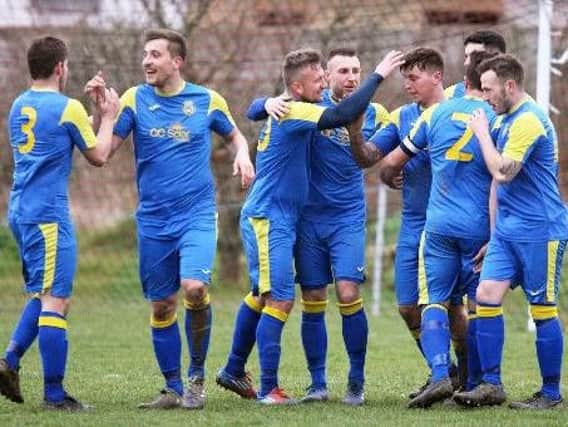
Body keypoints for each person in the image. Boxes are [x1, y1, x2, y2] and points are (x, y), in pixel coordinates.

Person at [217, 47, 403, 405]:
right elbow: (265, 108)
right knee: (294, 298)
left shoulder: (372, 111)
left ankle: (355, 382)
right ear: (326, 78)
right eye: (340, 72)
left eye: (357, 70)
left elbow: (374, 152)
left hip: (343, 218)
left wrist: (402, 164)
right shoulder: (312, 111)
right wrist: (265, 102)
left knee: (342, 293)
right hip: (297, 219)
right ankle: (307, 385)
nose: (351, 77)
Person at [86, 28, 255, 410]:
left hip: (196, 214)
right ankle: (173, 388)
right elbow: (102, 153)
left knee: (194, 287)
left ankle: (196, 380)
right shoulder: (134, 98)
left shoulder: (207, 99)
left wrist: (243, 156)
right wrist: (106, 115)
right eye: (145, 54)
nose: (147, 61)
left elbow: (235, 137)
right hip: (153, 220)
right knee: (162, 304)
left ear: (176, 61)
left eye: (156, 54)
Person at [0, 36, 119, 410]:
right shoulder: (66, 107)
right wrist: (110, 116)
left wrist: (94, 114)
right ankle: (54, 395)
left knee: (42, 293)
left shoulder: (19, 105)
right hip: (48, 216)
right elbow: (99, 154)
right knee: (57, 299)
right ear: (60, 68)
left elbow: (67, 135)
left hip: (20, 211)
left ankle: (9, 362)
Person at [377, 51, 498, 408]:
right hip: (480, 226)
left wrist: (391, 176)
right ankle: (480, 381)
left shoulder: (434, 115)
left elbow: (392, 162)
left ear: (462, 83)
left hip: (440, 223)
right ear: (486, 88)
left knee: (435, 301)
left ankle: (441, 374)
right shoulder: (497, 117)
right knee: (480, 307)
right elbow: (504, 173)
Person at [347, 47, 468, 397]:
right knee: (406, 307)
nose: (409, 86)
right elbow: (370, 157)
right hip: (414, 222)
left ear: (437, 76)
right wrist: (357, 135)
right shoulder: (401, 118)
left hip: (452, 224)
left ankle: (464, 375)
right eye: (405, 79)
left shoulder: (460, 114)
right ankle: (444, 374)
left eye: (414, 78)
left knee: (454, 305)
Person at [453, 54, 568, 410]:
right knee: (486, 294)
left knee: (542, 307)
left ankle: (550, 394)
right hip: (506, 232)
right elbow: (495, 186)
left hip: (541, 230)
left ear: (510, 86)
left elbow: (503, 171)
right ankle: (491, 384)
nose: (485, 97)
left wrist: (482, 135)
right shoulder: (504, 117)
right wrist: (493, 234)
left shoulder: (529, 121)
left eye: (488, 90)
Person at [445, 30, 506, 99]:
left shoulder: (512, 93)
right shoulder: (451, 94)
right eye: (466, 56)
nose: (467, 63)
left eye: (476, 57)